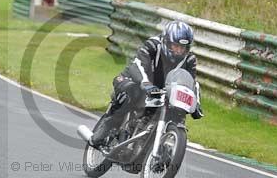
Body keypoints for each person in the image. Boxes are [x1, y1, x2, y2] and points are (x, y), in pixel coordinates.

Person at [86, 20, 202, 148]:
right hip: (133, 79)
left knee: (175, 110)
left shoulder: (190, 59)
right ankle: (103, 130)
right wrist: (146, 84)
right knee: (131, 92)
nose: (179, 51)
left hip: (160, 90)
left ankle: (160, 149)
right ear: (167, 42)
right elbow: (138, 65)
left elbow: (192, 83)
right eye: (176, 46)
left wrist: (195, 103)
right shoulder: (153, 45)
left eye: (183, 48)